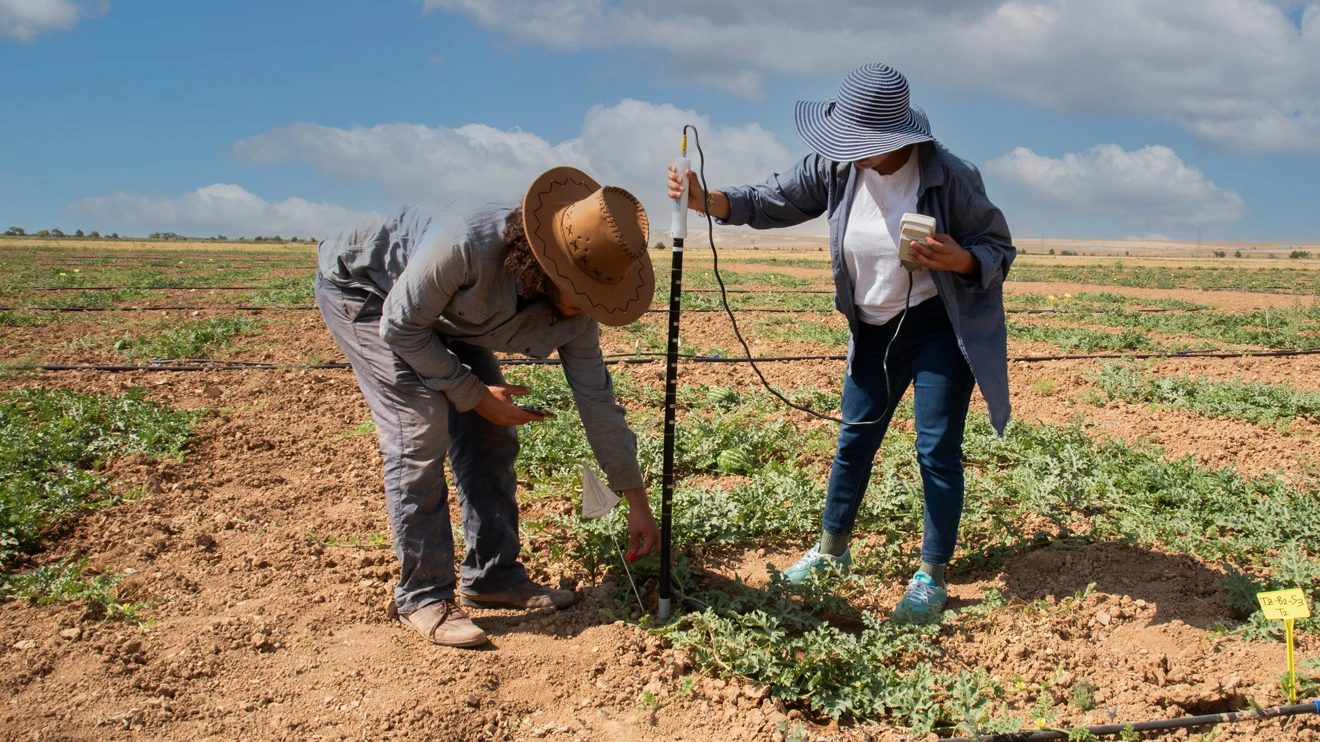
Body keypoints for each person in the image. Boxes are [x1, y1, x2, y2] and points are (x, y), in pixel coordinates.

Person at [667, 63, 1015, 624]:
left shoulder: (950, 175)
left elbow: (998, 248)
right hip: (872, 328)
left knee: (935, 449)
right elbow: (772, 199)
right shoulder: (837, 167)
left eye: (858, 140)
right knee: (855, 437)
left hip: (936, 326)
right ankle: (832, 551)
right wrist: (711, 200)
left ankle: (931, 575)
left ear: (891, 140)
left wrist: (961, 258)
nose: (847, 148)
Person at [316, 167, 662, 647]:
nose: (587, 305)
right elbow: (400, 327)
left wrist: (635, 499)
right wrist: (474, 394)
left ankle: (493, 577)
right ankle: (423, 595)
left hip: (445, 317)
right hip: (370, 294)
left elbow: (597, 400)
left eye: (597, 296)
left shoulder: (578, 316)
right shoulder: (467, 245)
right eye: (579, 290)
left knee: (492, 434)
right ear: (545, 264)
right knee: (420, 426)